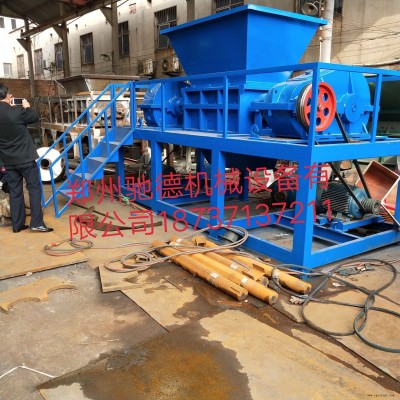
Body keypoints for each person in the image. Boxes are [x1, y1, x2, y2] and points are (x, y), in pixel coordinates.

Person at [0, 83, 53, 233]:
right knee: (34, 189)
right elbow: (34, 117)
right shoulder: (17, 111)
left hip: (8, 161)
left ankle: (17, 225)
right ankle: (36, 223)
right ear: (8, 95)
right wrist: (27, 106)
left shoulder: (12, 111)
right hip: (26, 159)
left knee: (15, 192)